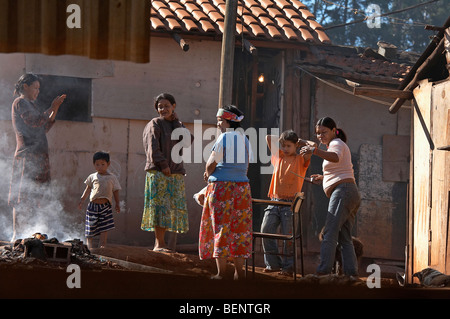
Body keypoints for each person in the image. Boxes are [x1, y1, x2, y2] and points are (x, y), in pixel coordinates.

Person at [8, 73, 66, 242]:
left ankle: (31, 234)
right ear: (25, 87)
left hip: (39, 157)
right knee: (21, 197)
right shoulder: (19, 103)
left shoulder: (31, 105)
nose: (37, 91)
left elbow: (44, 126)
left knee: (37, 197)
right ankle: (16, 235)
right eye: (35, 88)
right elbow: (35, 121)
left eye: (39, 89)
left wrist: (55, 109)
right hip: (26, 156)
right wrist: (51, 107)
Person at [300, 117, 361, 277]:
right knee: (345, 237)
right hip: (349, 192)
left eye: (324, 132)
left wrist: (314, 151)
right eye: (318, 133)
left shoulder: (336, 144)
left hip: (343, 192)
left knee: (329, 232)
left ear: (334, 131)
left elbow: (335, 157)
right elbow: (339, 169)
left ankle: (323, 272)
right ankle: (351, 274)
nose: (320, 136)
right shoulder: (335, 145)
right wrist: (323, 178)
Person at [199, 105, 253, 280]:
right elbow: (246, 165)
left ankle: (221, 273)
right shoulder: (244, 139)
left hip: (222, 188)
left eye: (220, 120)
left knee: (221, 228)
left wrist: (208, 173)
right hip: (242, 188)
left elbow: (211, 163)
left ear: (229, 121)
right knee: (240, 229)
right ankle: (239, 272)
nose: (218, 123)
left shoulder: (224, 137)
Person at [141, 93, 193, 252]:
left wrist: (177, 122)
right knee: (160, 208)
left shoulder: (177, 124)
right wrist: (163, 164)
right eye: (160, 106)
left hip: (175, 172)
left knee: (171, 208)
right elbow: (153, 147)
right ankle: (159, 244)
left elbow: (188, 140)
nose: (163, 109)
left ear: (174, 107)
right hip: (159, 172)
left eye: (166, 106)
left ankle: (168, 245)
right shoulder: (154, 123)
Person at [261, 130, 312, 275]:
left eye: (289, 146)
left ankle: (288, 268)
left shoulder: (301, 159)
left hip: (290, 203)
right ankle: (273, 264)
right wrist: (284, 139)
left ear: (295, 145)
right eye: (283, 145)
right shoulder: (279, 157)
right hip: (275, 201)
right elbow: (268, 137)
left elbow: (313, 145)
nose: (285, 149)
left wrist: (299, 141)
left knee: (288, 238)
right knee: (266, 231)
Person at [78, 151, 121, 250]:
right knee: (90, 226)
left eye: (102, 164)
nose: (100, 167)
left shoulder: (112, 178)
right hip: (93, 205)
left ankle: (102, 245)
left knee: (104, 227)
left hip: (105, 206)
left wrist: (117, 203)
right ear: (94, 165)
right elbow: (88, 189)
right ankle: (89, 246)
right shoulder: (92, 176)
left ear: (108, 164)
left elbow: (116, 191)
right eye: (97, 164)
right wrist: (82, 200)